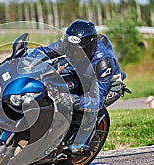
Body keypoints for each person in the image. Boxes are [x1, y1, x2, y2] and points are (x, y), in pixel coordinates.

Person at [34, 19, 128, 153]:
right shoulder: (68, 44)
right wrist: (22, 57)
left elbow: (96, 100)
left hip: (106, 86)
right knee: (51, 73)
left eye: (79, 50)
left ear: (90, 47)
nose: (73, 53)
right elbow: (45, 51)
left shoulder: (103, 61)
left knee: (88, 109)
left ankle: (80, 143)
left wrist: (72, 100)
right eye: (71, 49)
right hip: (82, 71)